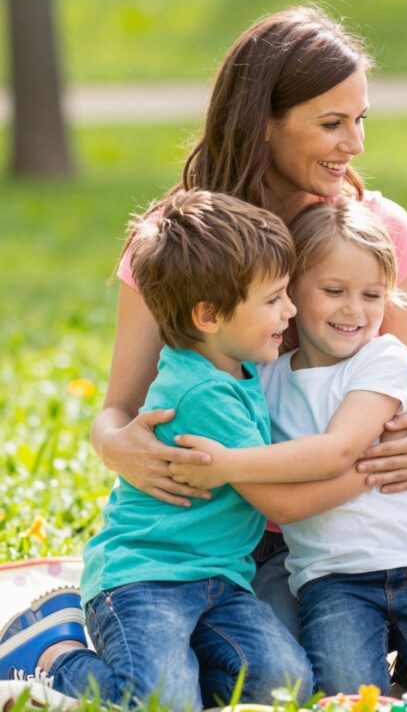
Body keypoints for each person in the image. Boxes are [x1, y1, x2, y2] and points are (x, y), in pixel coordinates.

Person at [89, 5, 407, 638]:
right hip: (225, 531)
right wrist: (113, 445)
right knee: (272, 671)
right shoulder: (179, 244)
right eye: (332, 123)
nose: (355, 144)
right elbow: (117, 409)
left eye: (360, 120)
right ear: (262, 122)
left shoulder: (377, 229)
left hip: (351, 523)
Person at [166, 201, 407, 695]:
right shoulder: (266, 381)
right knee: (346, 694)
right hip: (330, 577)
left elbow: (340, 449)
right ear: (291, 293)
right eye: (334, 291)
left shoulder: (384, 357)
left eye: (372, 295)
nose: (354, 310)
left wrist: (229, 465)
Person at [0, 191, 314, 710]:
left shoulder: (235, 365)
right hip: (144, 578)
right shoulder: (202, 393)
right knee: (159, 704)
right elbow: (278, 497)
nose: (291, 310)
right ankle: (53, 655)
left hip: (220, 578)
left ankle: (178, 676)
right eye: (274, 299)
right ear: (209, 315)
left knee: (284, 684)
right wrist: (355, 458)